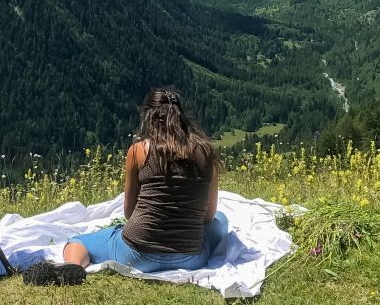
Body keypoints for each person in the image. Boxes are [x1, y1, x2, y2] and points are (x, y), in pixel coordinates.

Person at [23, 88, 229, 286]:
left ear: (149, 117)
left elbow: (130, 212)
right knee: (221, 219)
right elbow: (208, 217)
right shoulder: (206, 151)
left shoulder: (138, 151)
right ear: (180, 115)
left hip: (136, 254)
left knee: (77, 241)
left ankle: (72, 266)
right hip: (191, 257)